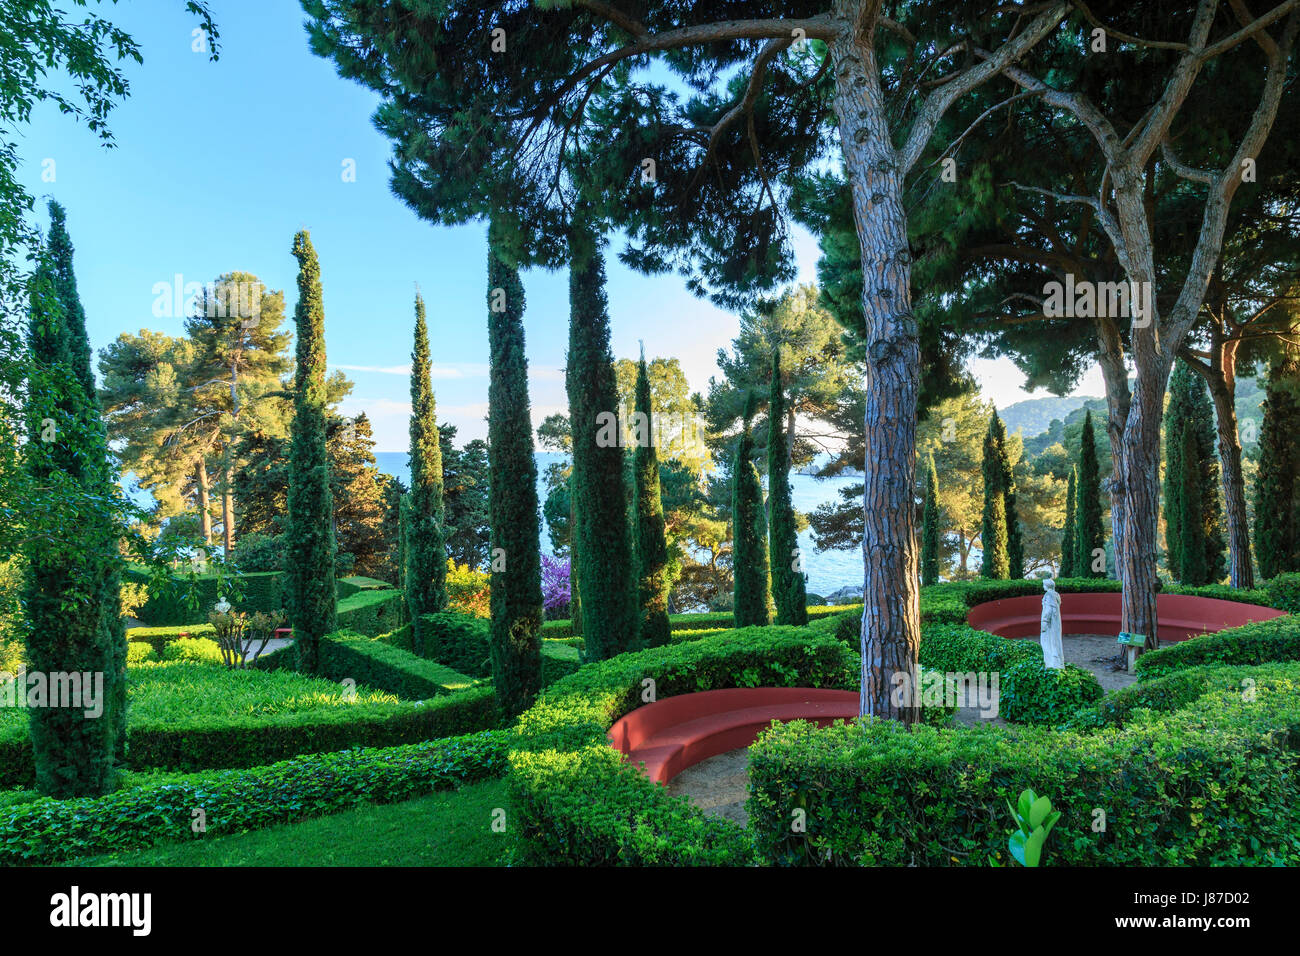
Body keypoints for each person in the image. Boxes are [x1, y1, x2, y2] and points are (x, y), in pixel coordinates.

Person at [1040, 578, 1064, 669]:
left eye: (1043, 585)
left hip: (1050, 624)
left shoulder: (1048, 595)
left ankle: (1052, 664)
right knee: (1054, 641)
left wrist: (1044, 622)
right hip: (1055, 623)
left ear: (1047, 586)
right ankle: (1056, 663)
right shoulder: (1055, 594)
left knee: (1049, 642)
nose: (1043, 586)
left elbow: (1048, 611)